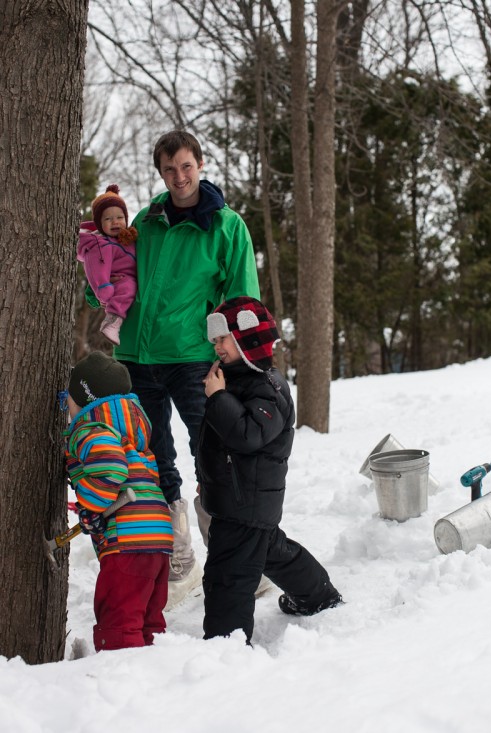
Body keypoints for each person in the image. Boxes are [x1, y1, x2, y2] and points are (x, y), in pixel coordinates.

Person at [109, 130, 260, 608]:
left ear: (200, 164)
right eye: (169, 169)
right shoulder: (145, 221)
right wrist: (99, 283)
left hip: (194, 356)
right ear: (160, 172)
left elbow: (243, 300)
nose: (179, 177)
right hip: (137, 355)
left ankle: (233, 556)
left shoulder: (226, 225)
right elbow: (119, 273)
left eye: (186, 166)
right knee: (152, 458)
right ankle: (179, 558)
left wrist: (235, 359)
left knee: (212, 452)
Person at [197, 297, 343, 643]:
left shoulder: (266, 388)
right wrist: (208, 480)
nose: (216, 346)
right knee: (270, 552)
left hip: (244, 504)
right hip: (239, 498)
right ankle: (317, 595)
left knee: (227, 576)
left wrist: (218, 398)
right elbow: (218, 444)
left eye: (223, 339)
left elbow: (248, 436)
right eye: (215, 340)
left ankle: (225, 643)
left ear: (248, 338)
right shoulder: (237, 380)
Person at [63, 351, 173, 651]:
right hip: (158, 540)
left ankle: (119, 680)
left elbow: (110, 472)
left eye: (67, 399)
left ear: (84, 399)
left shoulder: (92, 429)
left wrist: (90, 502)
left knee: (119, 624)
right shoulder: (133, 436)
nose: (66, 407)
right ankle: (155, 674)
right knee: (148, 622)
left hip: (128, 545)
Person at [78, 184, 138, 346]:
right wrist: (103, 287)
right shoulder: (102, 244)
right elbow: (97, 268)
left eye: (119, 217)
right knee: (129, 286)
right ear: (99, 223)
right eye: (108, 219)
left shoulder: (130, 240)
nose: (115, 222)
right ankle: (112, 321)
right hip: (120, 284)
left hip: (132, 284)